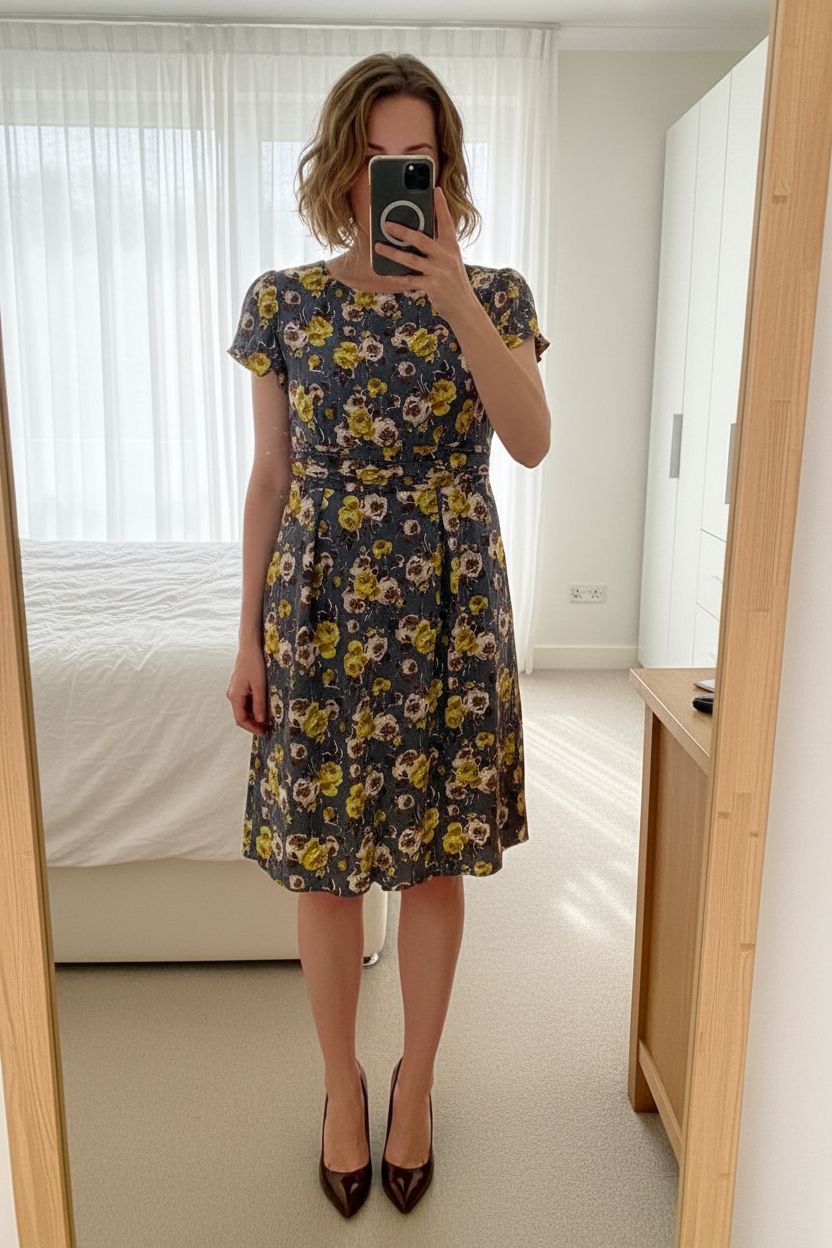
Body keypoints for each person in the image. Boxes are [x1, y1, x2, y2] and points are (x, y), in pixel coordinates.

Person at [225, 51, 551, 1217]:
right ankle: (340, 1089)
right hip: (320, 602)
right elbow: (270, 475)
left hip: (449, 604)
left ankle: (416, 1081)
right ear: (340, 168)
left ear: (443, 168)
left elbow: (530, 443)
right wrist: (249, 637)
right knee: (323, 870)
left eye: (414, 159)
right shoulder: (284, 300)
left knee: (426, 862)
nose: (391, 179)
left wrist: (454, 294)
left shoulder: (498, 294)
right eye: (373, 159)